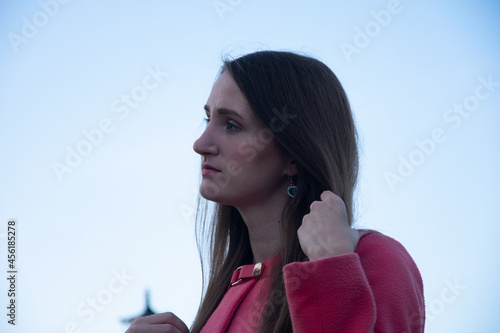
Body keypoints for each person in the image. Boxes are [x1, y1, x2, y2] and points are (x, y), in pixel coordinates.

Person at [125, 51, 425, 333]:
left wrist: (331, 271)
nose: (200, 144)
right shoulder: (227, 294)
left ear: (293, 155)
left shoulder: (374, 260)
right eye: (208, 119)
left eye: (231, 125)